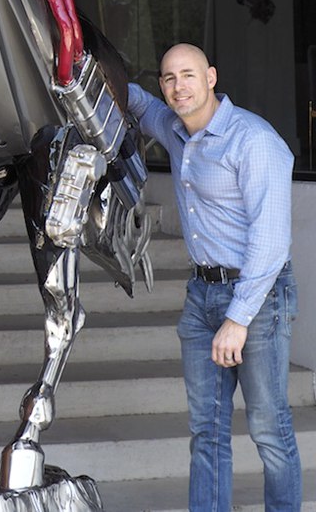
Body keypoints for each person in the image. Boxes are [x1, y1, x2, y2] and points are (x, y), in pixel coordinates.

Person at [128, 43, 301, 512]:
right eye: (168, 78)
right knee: (207, 429)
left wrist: (238, 319)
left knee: (268, 426)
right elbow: (137, 104)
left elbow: (270, 243)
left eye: (188, 75)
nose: (177, 86)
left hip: (257, 296)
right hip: (202, 293)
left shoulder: (253, 140)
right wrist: (73, 57)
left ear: (211, 78)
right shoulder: (173, 126)